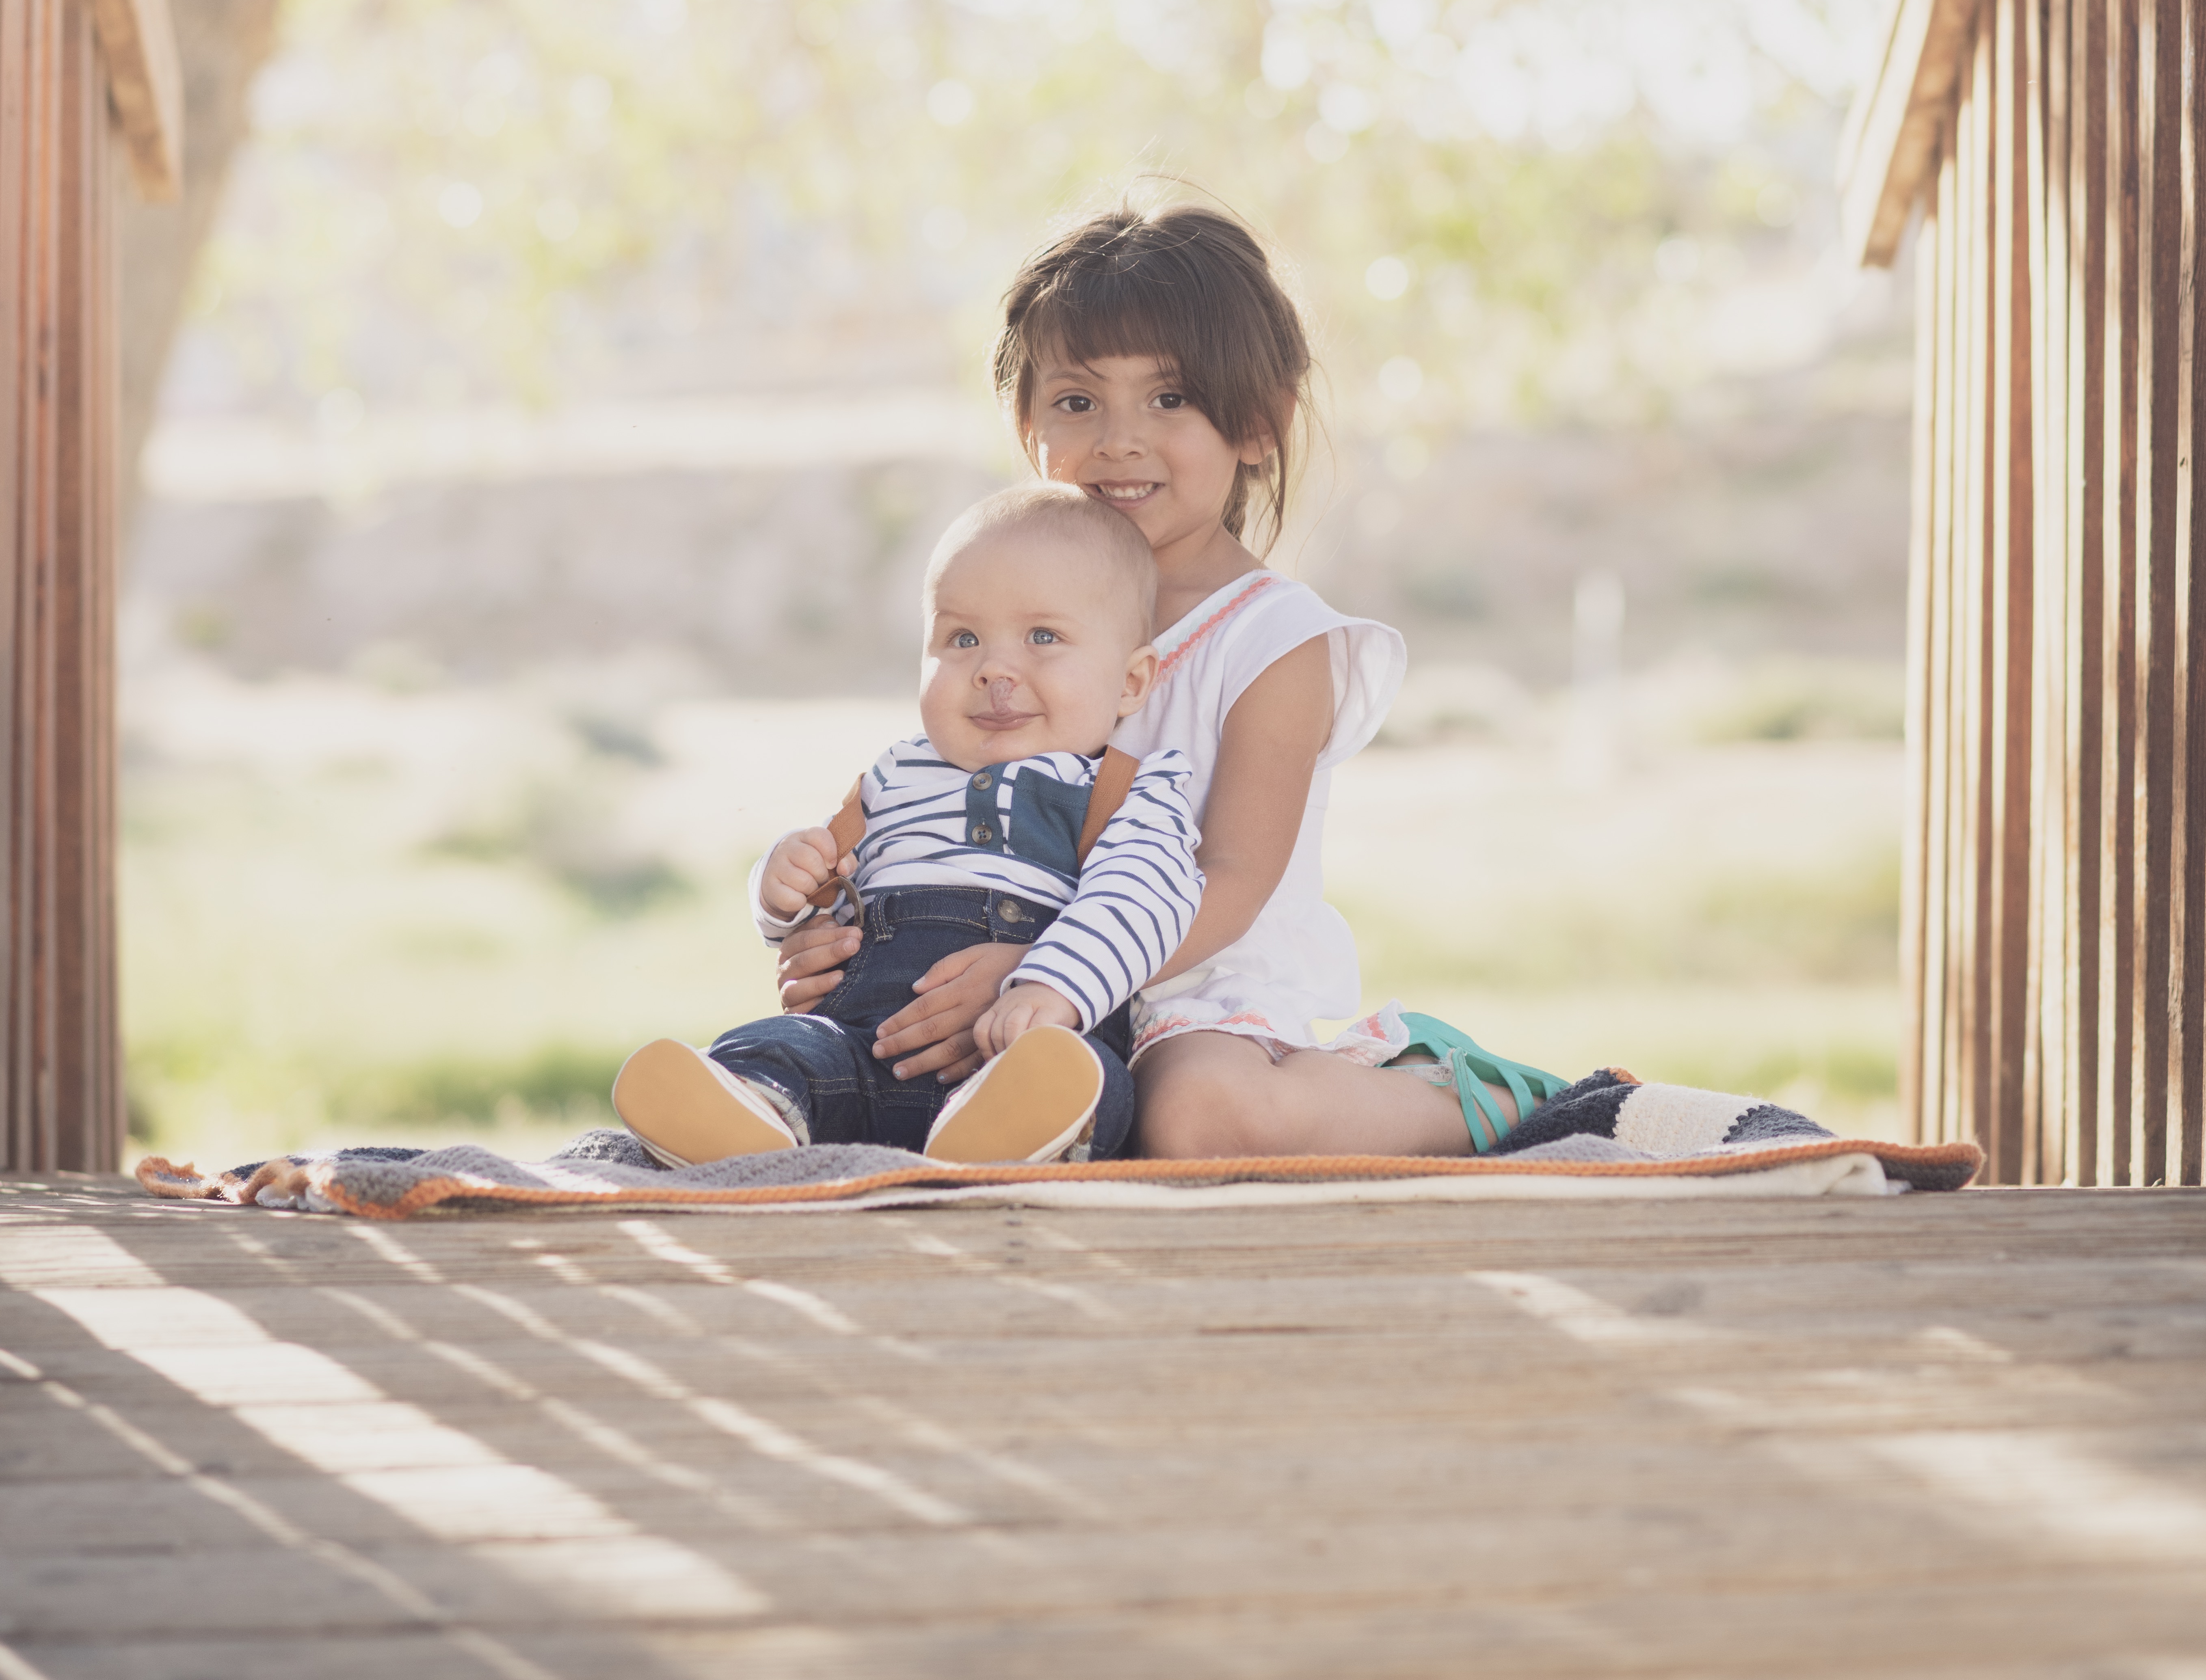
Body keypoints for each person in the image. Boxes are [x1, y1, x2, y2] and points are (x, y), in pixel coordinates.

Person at [772, 195, 1567, 1159]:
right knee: (856, 1063)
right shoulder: (1013, 619)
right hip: (1013, 984)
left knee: (1188, 1116)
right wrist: (833, 937)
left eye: (1170, 398)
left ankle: (1472, 1098)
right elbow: (925, 813)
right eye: (1077, 402)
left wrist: (1045, 971)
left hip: (1194, 995)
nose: (1119, 438)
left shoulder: (1273, 638)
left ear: (1259, 423)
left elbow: (1229, 873)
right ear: (1027, 424)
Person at [611, 482, 1202, 1167]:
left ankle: (1010, 1134)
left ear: (1131, 683)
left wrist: (1053, 987)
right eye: (962, 638)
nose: (994, 669)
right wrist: (783, 886)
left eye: (1044, 636)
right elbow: (823, 902)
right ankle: (755, 1119)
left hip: (1010, 1046)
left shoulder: (1132, 789)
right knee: (783, 1048)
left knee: (1088, 1078)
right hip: (863, 1044)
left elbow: (1144, 899)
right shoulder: (894, 777)